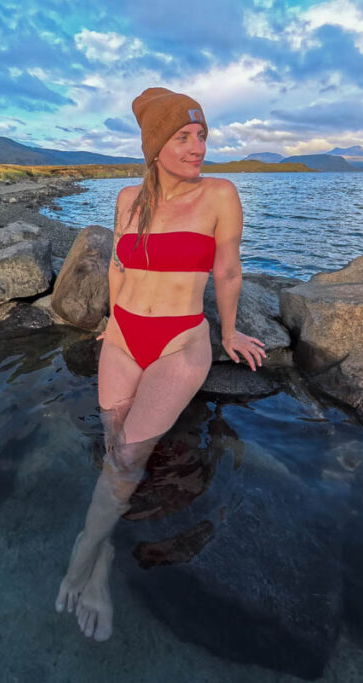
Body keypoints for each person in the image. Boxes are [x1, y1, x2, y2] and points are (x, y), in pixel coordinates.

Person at [55, 87, 266, 641]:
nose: (198, 147)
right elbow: (118, 270)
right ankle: (103, 553)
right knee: (112, 437)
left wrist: (234, 327)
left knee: (126, 457)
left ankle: (88, 554)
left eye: (201, 136)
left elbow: (228, 271)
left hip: (178, 341)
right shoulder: (128, 199)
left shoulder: (221, 195)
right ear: (155, 146)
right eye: (183, 137)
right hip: (124, 338)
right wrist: (109, 325)